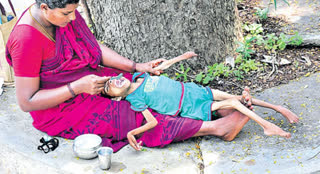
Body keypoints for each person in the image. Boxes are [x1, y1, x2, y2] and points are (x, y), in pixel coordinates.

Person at [5, 0, 259, 152]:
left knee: (148, 87)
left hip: (89, 82)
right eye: (66, 14)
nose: (73, 19)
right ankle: (217, 128)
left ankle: (211, 109)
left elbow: (94, 48)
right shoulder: (26, 39)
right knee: (132, 115)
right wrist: (76, 88)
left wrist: (135, 66)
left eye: (75, 11)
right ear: (45, 8)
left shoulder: (63, 14)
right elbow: (27, 102)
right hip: (61, 108)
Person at [104, 62, 298, 150]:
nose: (113, 81)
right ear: (115, 99)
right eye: (108, 87)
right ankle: (267, 126)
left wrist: (181, 58)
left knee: (237, 97)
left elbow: (162, 68)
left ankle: (278, 108)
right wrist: (132, 133)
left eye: (112, 79)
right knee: (232, 102)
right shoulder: (134, 100)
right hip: (189, 106)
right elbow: (152, 121)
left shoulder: (140, 76)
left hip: (191, 90)